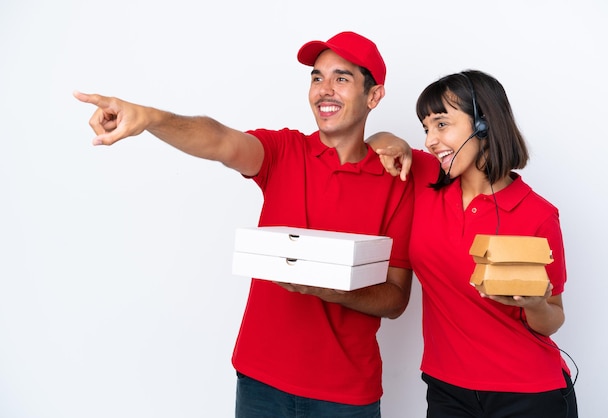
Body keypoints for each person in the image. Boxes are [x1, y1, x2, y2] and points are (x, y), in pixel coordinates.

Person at [74, 31, 414, 417]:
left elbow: (395, 299)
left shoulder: (397, 176)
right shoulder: (284, 151)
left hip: (346, 395)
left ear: (374, 96)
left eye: (341, 78)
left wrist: (330, 289)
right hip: (260, 384)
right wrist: (152, 119)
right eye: (317, 78)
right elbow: (220, 140)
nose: (324, 90)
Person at [368, 69, 578, 417]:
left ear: (483, 125)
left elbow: (554, 317)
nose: (430, 141)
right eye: (425, 128)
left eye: (441, 124)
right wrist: (398, 144)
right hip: (447, 390)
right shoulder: (424, 179)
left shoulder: (538, 215)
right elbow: (375, 141)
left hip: (528, 393)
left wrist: (535, 304)